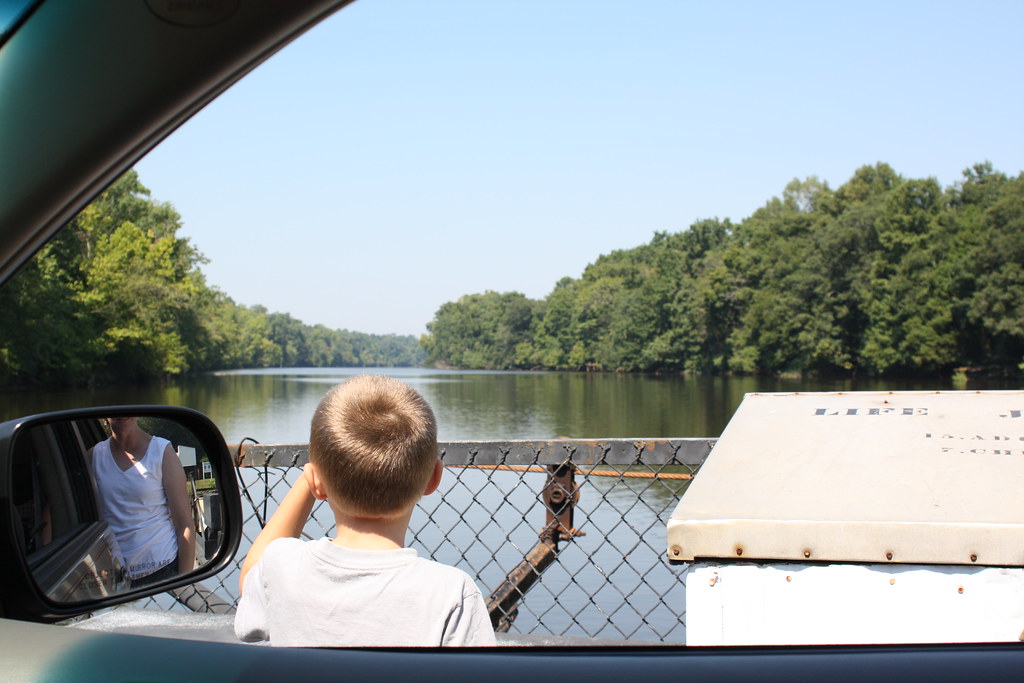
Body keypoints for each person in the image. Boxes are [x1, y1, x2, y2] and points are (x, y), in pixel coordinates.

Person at [234, 374, 496, 647]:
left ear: (315, 482)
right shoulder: (451, 593)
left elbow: (250, 579)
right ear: (434, 478)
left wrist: (314, 477)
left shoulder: (282, 568)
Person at [89, 417, 196, 586]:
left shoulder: (162, 452)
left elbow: (185, 524)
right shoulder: (94, 456)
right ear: (103, 416)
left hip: (163, 569)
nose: (122, 411)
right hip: (113, 576)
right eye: (114, 405)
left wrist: (185, 582)